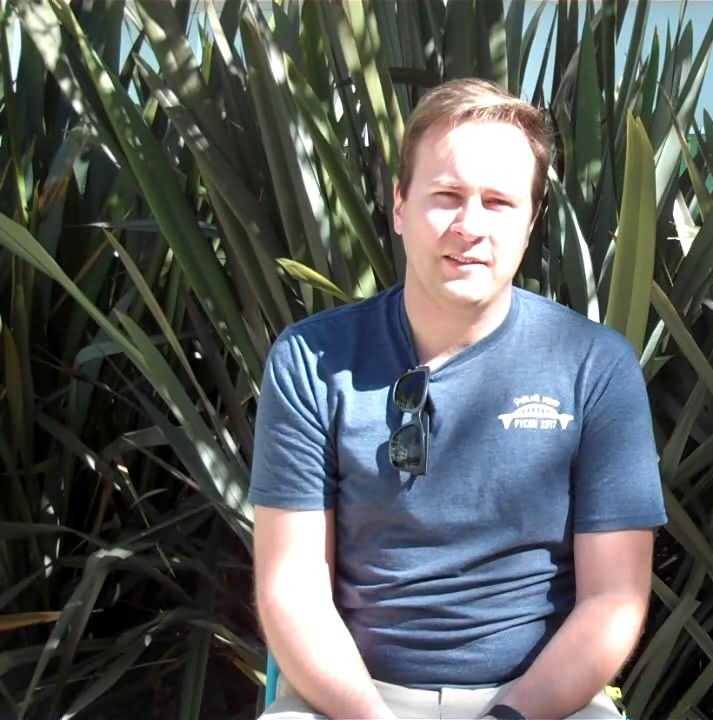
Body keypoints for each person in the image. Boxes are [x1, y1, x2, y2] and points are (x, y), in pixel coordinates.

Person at [250, 78, 667, 720]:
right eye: (446, 196)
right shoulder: (311, 360)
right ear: (399, 205)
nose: (470, 226)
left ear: (530, 222)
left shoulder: (595, 365)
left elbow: (614, 598)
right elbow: (292, 590)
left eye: (498, 202)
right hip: (350, 698)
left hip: (540, 700)